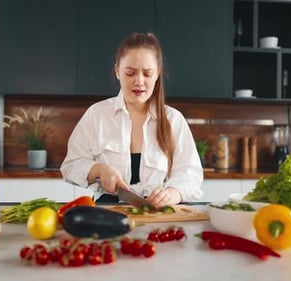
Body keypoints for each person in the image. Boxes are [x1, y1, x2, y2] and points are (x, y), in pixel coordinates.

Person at [60, 32, 203, 208]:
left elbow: (190, 173)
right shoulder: (96, 115)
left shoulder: (173, 120)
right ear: (117, 72)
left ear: (157, 74)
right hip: (107, 211)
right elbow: (71, 166)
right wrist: (99, 170)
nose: (139, 81)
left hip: (158, 213)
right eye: (130, 73)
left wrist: (172, 193)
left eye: (147, 73)